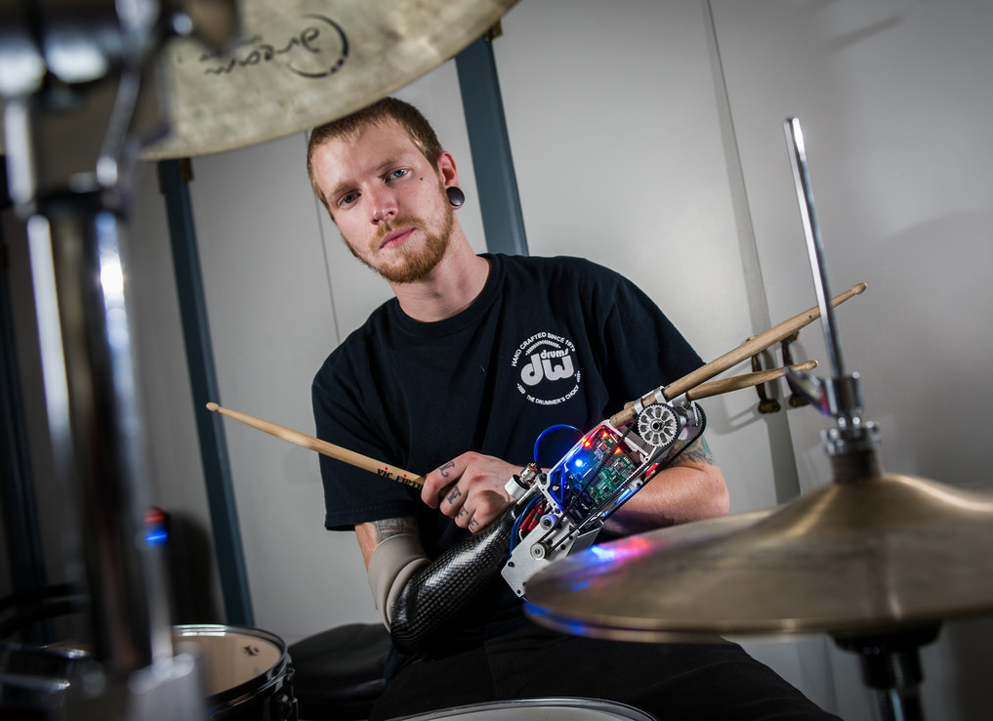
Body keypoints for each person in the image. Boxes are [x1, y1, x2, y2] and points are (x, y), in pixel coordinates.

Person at [308, 97, 839, 720]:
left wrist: (542, 493)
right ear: (339, 223)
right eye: (347, 197)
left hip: (629, 624)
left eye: (395, 172)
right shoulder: (347, 383)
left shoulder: (586, 295)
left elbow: (704, 494)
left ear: (445, 172)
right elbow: (409, 613)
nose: (380, 208)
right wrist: (522, 517)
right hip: (461, 663)